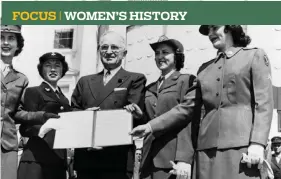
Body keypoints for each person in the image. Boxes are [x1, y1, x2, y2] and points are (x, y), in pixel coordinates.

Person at [130, 25, 274, 179]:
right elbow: (187, 110)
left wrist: (258, 143)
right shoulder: (204, 69)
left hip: (242, 150)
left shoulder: (254, 56)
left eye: (214, 27)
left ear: (230, 26)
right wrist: (150, 127)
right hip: (205, 153)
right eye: (208, 31)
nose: (210, 34)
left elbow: (264, 103)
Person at [71, 31, 147, 179]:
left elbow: (132, 115)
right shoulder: (85, 82)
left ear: (124, 53)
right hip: (86, 157)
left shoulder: (135, 79)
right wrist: (85, 116)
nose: (109, 51)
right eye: (104, 47)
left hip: (117, 159)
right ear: (99, 51)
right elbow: (73, 112)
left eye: (114, 47)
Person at [125, 35, 196, 179]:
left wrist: (184, 158)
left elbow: (188, 119)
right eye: (157, 53)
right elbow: (151, 121)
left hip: (172, 160)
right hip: (148, 158)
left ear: (177, 56)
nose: (160, 57)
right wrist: (140, 116)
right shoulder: (150, 87)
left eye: (165, 52)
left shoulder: (186, 81)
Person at [1, 25, 58, 179]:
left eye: (11, 38)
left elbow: (18, 112)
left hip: (7, 144)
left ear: (18, 45)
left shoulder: (21, 79)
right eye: (1, 38)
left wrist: (42, 115)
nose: (5, 43)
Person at [16, 52, 71, 179]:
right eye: (48, 65)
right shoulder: (33, 92)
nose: (53, 69)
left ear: (63, 70)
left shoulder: (64, 99)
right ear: (41, 69)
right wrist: (43, 129)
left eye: (57, 65)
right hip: (36, 159)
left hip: (58, 160)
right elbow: (26, 127)